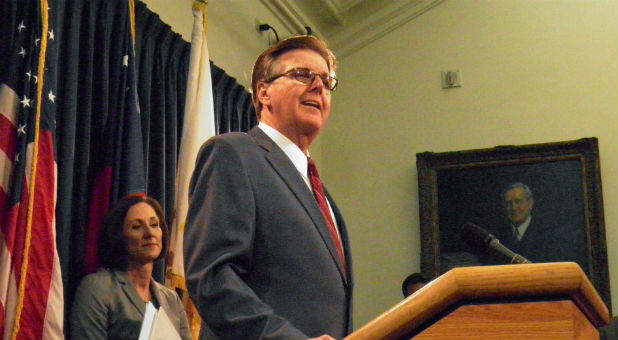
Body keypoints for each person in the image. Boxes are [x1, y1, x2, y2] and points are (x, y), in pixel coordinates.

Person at [183, 35, 352, 340]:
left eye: (327, 82)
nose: (318, 87)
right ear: (263, 92)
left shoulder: (325, 200)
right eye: (303, 75)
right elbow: (212, 278)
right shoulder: (233, 154)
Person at [70, 195, 191, 340]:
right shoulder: (98, 288)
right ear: (119, 237)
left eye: (154, 225)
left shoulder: (172, 300)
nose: (150, 233)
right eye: (136, 227)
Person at [494, 182, 586, 268]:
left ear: (530, 204)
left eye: (518, 201)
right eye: (508, 203)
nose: (513, 207)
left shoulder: (550, 233)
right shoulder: (498, 236)